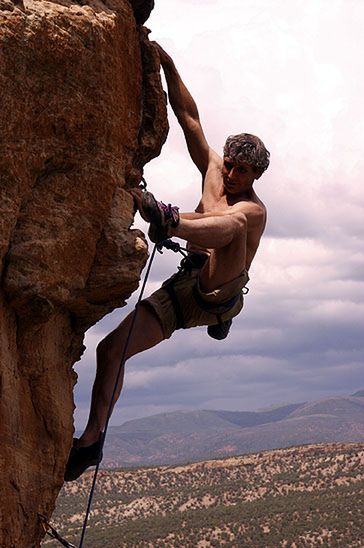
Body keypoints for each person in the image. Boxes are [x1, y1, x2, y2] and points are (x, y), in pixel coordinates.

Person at [64, 44, 270, 481]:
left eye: (242, 172)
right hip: (184, 292)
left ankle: (216, 301)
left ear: (255, 177)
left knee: (228, 227)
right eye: (230, 166)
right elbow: (189, 118)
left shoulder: (253, 210)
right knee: (111, 350)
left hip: (219, 290)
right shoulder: (215, 172)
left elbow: (224, 225)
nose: (231, 175)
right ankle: (92, 441)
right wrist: (165, 63)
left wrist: (170, 220)